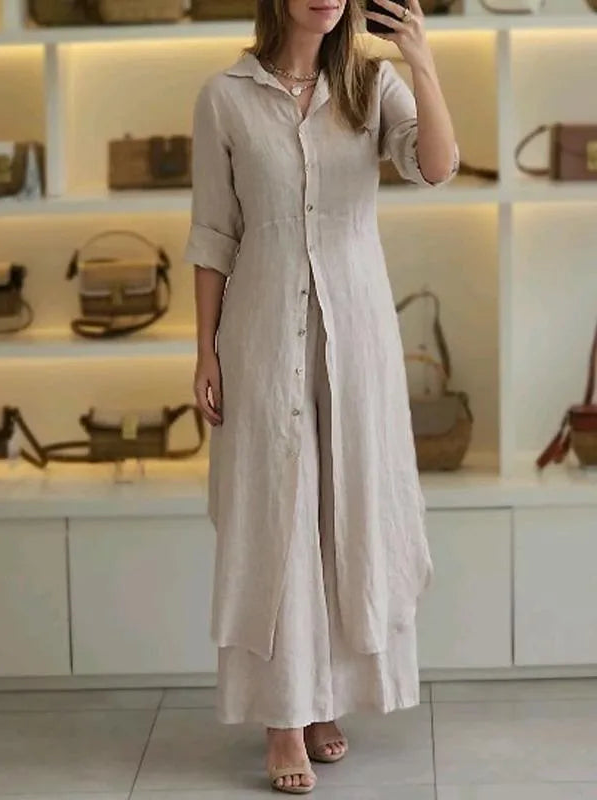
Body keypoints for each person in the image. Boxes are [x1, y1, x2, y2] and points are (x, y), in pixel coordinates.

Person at [185, 0, 459, 793]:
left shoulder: (373, 87)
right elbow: (213, 232)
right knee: (277, 520)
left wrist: (421, 61)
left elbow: (436, 166)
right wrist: (203, 348)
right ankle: (284, 718)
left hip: (358, 339)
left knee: (347, 514)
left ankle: (323, 700)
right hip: (264, 337)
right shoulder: (225, 97)